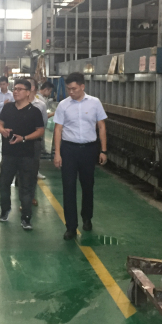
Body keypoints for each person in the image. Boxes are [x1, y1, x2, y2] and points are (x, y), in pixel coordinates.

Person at [53, 72, 108, 241]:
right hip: (69, 150)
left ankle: (87, 217)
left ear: (82, 86)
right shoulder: (63, 105)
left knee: (88, 185)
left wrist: (103, 150)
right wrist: (57, 153)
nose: (71, 92)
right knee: (68, 187)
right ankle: (71, 226)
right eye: (68, 89)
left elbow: (101, 126)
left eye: (74, 89)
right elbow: (58, 129)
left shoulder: (95, 103)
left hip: (89, 150)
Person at [0, 79, 45, 231]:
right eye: (15, 89)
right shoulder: (8, 108)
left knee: (26, 187)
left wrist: (24, 138)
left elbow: (40, 131)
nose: (16, 91)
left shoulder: (35, 111)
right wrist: (2, 130)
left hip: (27, 155)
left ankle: (26, 217)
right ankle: (5, 210)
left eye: (19, 89)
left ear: (28, 92)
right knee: (4, 184)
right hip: (8, 154)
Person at [38, 81, 55, 159]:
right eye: (50, 91)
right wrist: (53, 113)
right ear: (46, 89)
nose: (50, 94)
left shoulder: (39, 97)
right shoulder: (41, 100)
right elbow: (42, 117)